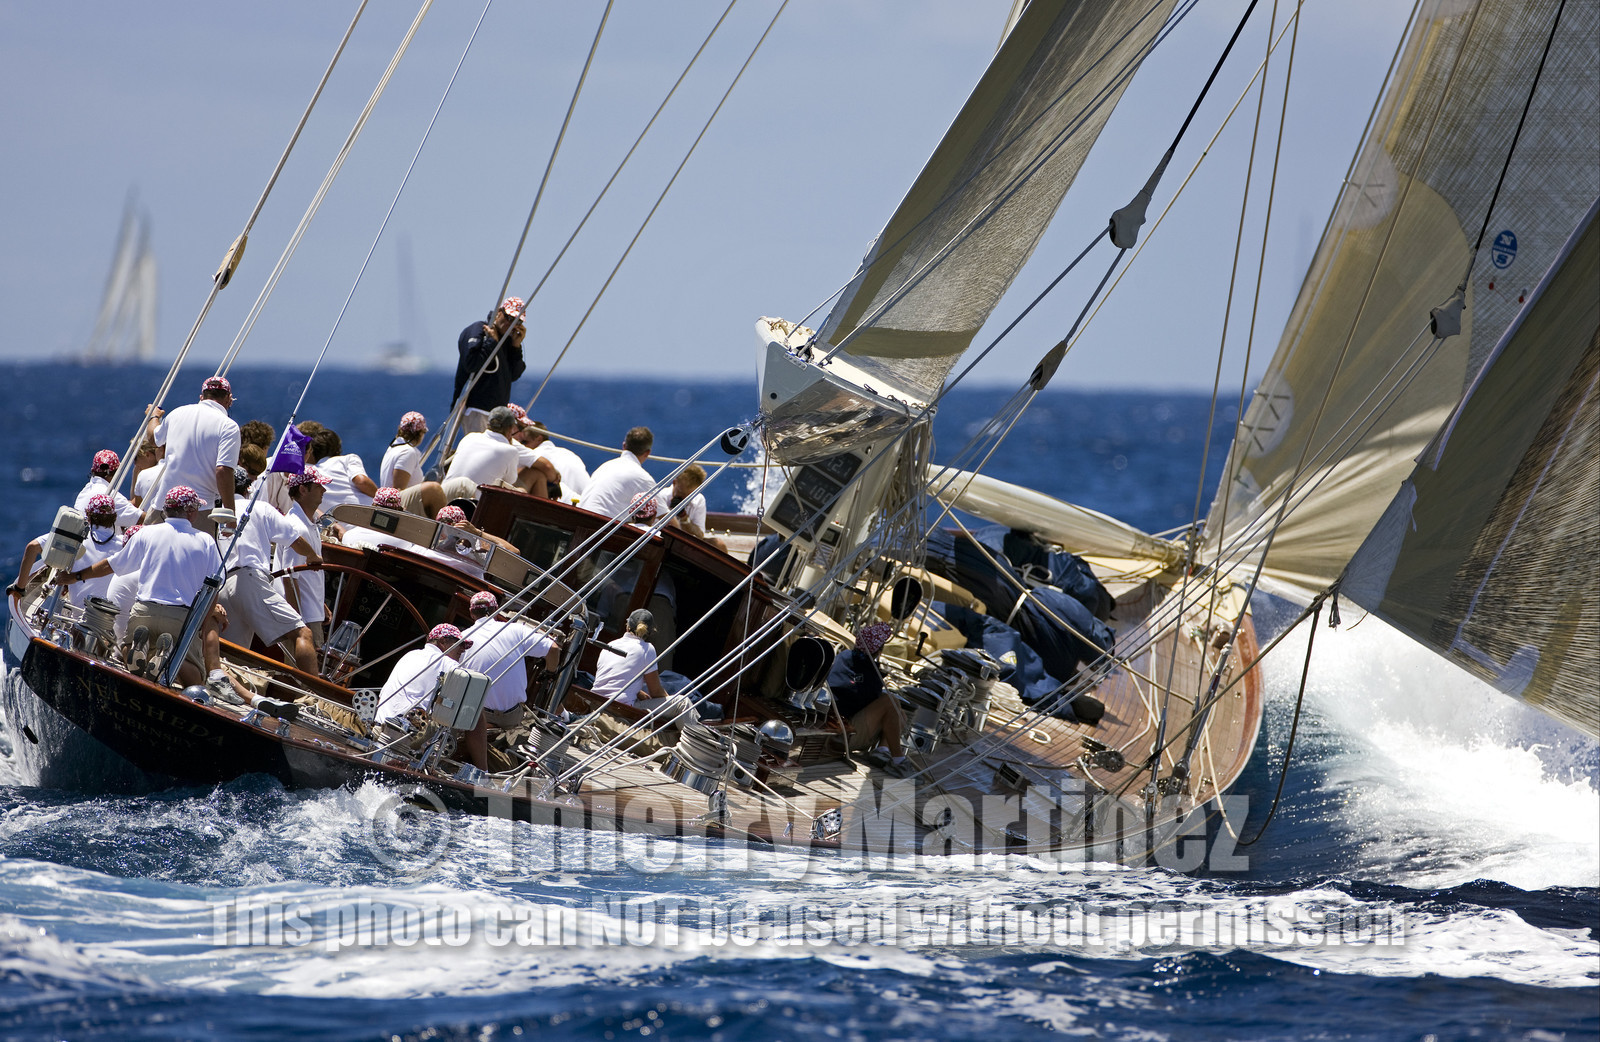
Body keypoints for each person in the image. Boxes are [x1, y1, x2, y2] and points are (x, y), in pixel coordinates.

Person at [58, 486, 226, 691]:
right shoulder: (205, 541)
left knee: (128, 648)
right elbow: (215, 588)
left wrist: (76, 576)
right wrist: (202, 623)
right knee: (196, 678)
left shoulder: (147, 533)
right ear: (190, 512)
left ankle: (136, 651)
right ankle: (167, 658)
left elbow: (111, 565)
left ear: (166, 510)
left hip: (145, 609)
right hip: (180, 616)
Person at [217, 491, 322, 673]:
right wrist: (313, 555)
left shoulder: (216, 513)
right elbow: (294, 539)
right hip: (248, 581)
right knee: (303, 633)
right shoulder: (260, 507)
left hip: (222, 586)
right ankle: (315, 694)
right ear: (248, 489)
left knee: (229, 657)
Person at [458, 590, 559, 769]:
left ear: (472, 613)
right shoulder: (515, 630)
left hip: (478, 717)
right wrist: (550, 674)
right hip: (512, 716)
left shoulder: (463, 638)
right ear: (497, 611)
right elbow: (553, 648)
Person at [148, 375, 241, 528]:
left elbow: (153, 438)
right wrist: (230, 515)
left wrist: (154, 416)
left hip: (164, 505)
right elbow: (223, 470)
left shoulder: (177, 413)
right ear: (229, 399)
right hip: (198, 511)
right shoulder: (228, 426)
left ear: (201, 397)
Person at [825, 621, 910, 774]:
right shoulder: (869, 671)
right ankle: (898, 760)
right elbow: (866, 698)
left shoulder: (844, 656)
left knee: (900, 714)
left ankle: (882, 750)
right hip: (844, 733)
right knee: (891, 702)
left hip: (843, 724)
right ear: (879, 651)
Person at [9, 493, 122, 607]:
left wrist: (20, 588)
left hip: (79, 612)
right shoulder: (124, 544)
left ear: (88, 515)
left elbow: (32, 547)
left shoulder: (75, 538)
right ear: (115, 517)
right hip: (113, 615)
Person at [590, 609, 694, 727]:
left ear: (627, 626)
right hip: (620, 708)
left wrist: (638, 692)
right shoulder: (647, 649)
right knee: (682, 702)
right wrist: (667, 700)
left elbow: (616, 676)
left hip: (595, 701)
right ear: (649, 632)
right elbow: (655, 692)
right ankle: (694, 743)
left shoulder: (610, 644)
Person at [452, 297, 527, 435]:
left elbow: (514, 375)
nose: (511, 324)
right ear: (499, 312)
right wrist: (491, 342)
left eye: (517, 321)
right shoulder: (478, 330)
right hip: (477, 409)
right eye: (509, 318)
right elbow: (471, 364)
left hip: (497, 414)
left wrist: (516, 347)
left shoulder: (507, 341)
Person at [375, 623, 471, 724]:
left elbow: (382, 697)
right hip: (406, 734)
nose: (463, 650)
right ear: (443, 641)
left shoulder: (410, 654)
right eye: (460, 644)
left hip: (378, 725)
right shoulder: (448, 664)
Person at [277, 468, 330, 651]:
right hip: (303, 617)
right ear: (303, 490)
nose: (324, 490)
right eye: (318, 486)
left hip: (310, 612)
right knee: (303, 676)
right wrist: (297, 623)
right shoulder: (298, 528)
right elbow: (289, 577)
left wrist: (320, 603)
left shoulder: (309, 524)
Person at [442, 406, 523, 501]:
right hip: (472, 504)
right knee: (521, 490)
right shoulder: (511, 451)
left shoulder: (469, 437)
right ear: (511, 428)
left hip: (443, 498)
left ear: (488, 423)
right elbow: (509, 482)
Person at [577, 427, 657, 519]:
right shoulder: (643, 478)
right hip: (601, 527)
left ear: (624, 446)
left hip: (580, 520)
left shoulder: (605, 466)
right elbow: (665, 517)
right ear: (647, 453)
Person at [378, 411, 446, 518]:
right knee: (434, 489)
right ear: (419, 433)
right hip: (396, 504)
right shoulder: (407, 452)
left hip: (389, 501)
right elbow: (398, 489)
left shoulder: (393, 448)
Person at [517, 418, 590, 501]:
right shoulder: (571, 455)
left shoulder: (535, 456)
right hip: (582, 506)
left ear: (539, 439)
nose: (523, 446)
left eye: (524, 442)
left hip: (557, 504)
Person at [307, 428, 375, 510]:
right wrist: (382, 499)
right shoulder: (348, 459)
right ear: (338, 448)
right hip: (370, 515)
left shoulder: (307, 474)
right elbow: (361, 481)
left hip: (337, 521)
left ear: (312, 452)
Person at [74, 449, 142, 530]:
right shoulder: (111, 497)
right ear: (117, 472)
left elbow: (126, 506)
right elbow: (143, 519)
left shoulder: (85, 492)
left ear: (93, 470)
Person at [129, 438, 165, 508]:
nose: (135, 464)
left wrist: (135, 476)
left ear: (147, 455)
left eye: (135, 458)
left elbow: (136, 506)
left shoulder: (144, 475)